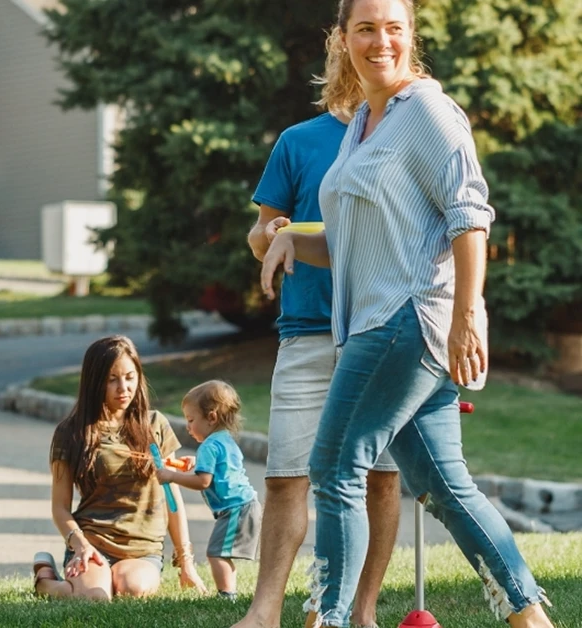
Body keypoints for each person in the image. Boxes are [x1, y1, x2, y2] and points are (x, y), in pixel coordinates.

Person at [261, 0, 556, 626]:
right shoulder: (363, 125)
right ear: (342, 38)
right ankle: (529, 614)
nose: (380, 41)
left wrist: (467, 311)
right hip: (383, 324)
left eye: (394, 28)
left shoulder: (424, 109)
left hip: (404, 321)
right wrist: (291, 239)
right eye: (365, 28)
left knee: (336, 465)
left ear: (411, 35)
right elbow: (351, 241)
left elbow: (468, 212)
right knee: (446, 485)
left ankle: (333, 619)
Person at [236, 23, 402, 628]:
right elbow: (262, 235)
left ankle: (361, 613)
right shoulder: (299, 141)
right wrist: (272, 236)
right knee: (286, 476)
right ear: (339, 47)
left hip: (379, 327)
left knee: (381, 479)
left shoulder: (407, 131)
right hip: (306, 329)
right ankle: (265, 612)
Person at [32, 335, 208, 600]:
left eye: (129, 376)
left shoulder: (155, 425)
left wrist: (187, 563)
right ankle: (45, 580)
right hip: (92, 542)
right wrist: (79, 546)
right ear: (94, 382)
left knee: (132, 589)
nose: (123, 387)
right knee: (96, 597)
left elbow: (172, 500)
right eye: (112, 379)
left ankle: (73, 582)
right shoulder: (71, 433)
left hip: (142, 549)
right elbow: (59, 507)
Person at [155, 381, 262, 600]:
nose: (188, 426)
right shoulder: (225, 440)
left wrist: (171, 475)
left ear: (211, 418)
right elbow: (221, 470)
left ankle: (227, 595)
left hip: (235, 508)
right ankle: (228, 591)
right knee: (221, 553)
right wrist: (195, 464)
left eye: (191, 420)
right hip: (245, 505)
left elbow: (203, 481)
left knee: (216, 553)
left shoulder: (209, 446)